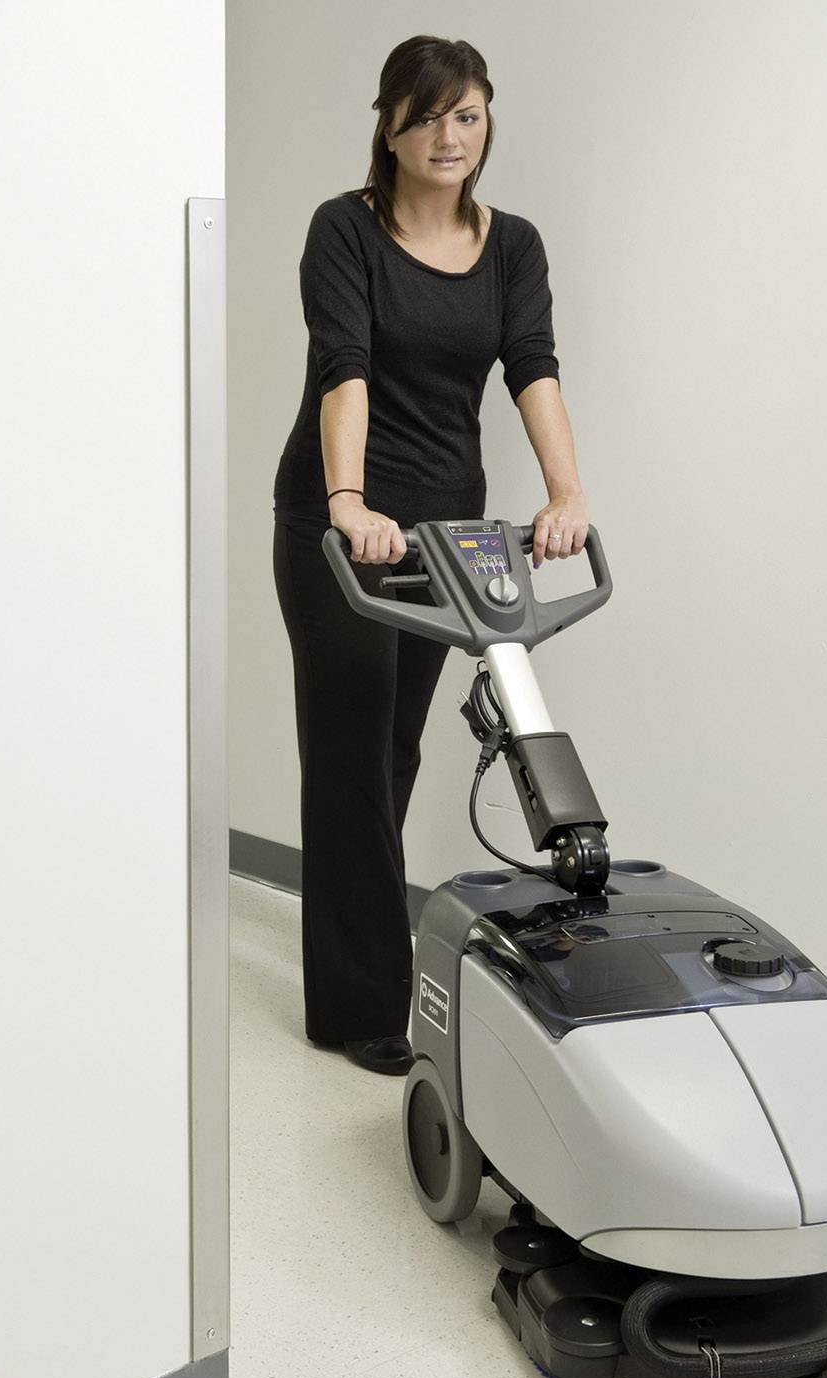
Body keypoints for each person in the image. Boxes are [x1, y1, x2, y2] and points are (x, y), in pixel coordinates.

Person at [271, 35, 590, 1075]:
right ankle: (362, 1006)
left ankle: (358, 949)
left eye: (468, 116)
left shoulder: (514, 246)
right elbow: (345, 369)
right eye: (426, 117)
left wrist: (565, 492)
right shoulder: (344, 231)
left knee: (396, 749)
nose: (449, 137)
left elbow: (531, 368)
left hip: (451, 532)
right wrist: (351, 501)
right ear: (390, 126)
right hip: (341, 523)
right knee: (352, 746)